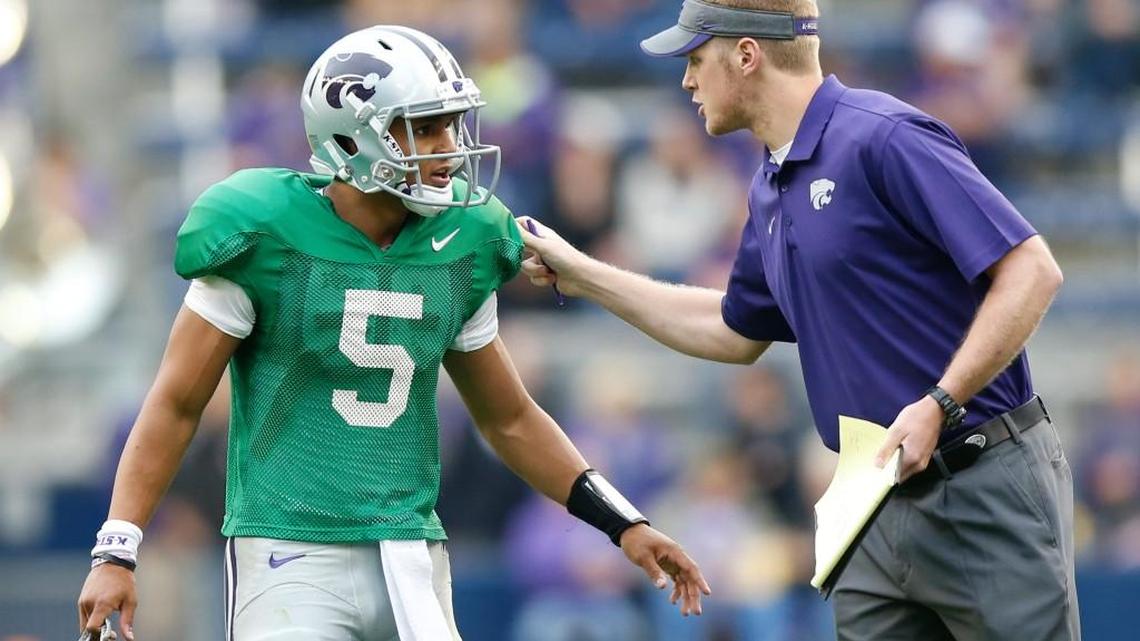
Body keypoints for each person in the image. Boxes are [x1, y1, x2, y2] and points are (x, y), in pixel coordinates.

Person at [76, 25, 709, 641]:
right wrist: (118, 546)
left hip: (410, 550)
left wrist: (623, 523)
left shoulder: (463, 241)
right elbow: (177, 402)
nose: (449, 147)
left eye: (451, 124)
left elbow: (510, 418)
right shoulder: (264, 231)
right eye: (424, 128)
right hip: (288, 552)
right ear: (352, 140)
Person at [518, 1, 1079, 639]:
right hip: (871, 505)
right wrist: (583, 274)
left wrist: (941, 402)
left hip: (979, 481)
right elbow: (732, 330)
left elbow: (1033, 271)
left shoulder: (883, 136)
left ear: (747, 54)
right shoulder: (768, 183)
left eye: (697, 60)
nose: (687, 80)